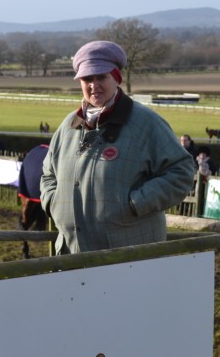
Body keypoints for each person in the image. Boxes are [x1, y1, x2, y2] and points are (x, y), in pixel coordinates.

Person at [39, 40, 195, 254]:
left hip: (129, 255)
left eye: (101, 77)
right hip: (71, 254)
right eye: (87, 79)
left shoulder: (145, 123)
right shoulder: (69, 125)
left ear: (116, 78)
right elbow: (48, 174)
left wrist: (135, 203)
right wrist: (55, 203)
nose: (94, 85)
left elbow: (182, 171)